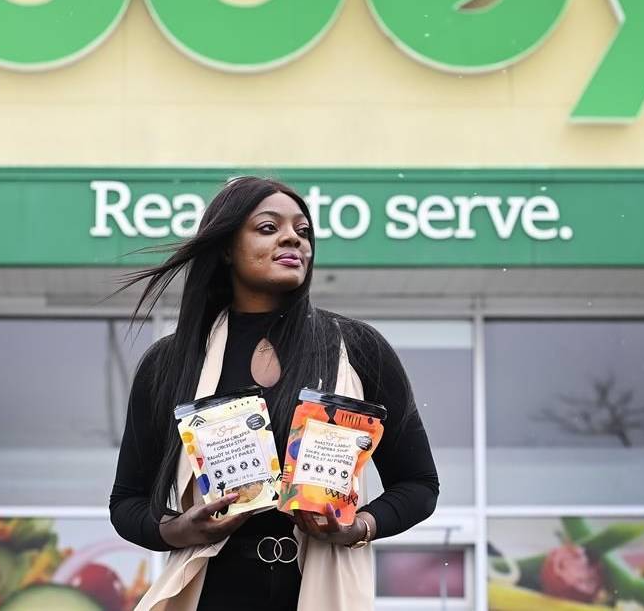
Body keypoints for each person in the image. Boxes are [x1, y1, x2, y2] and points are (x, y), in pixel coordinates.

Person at [109, 176, 439, 610]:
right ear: (226, 248)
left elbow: (419, 485)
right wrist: (179, 528)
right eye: (269, 227)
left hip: (321, 589)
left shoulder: (356, 348)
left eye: (303, 231)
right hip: (211, 592)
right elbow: (127, 502)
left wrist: (359, 526)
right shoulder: (170, 362)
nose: (293, 239)